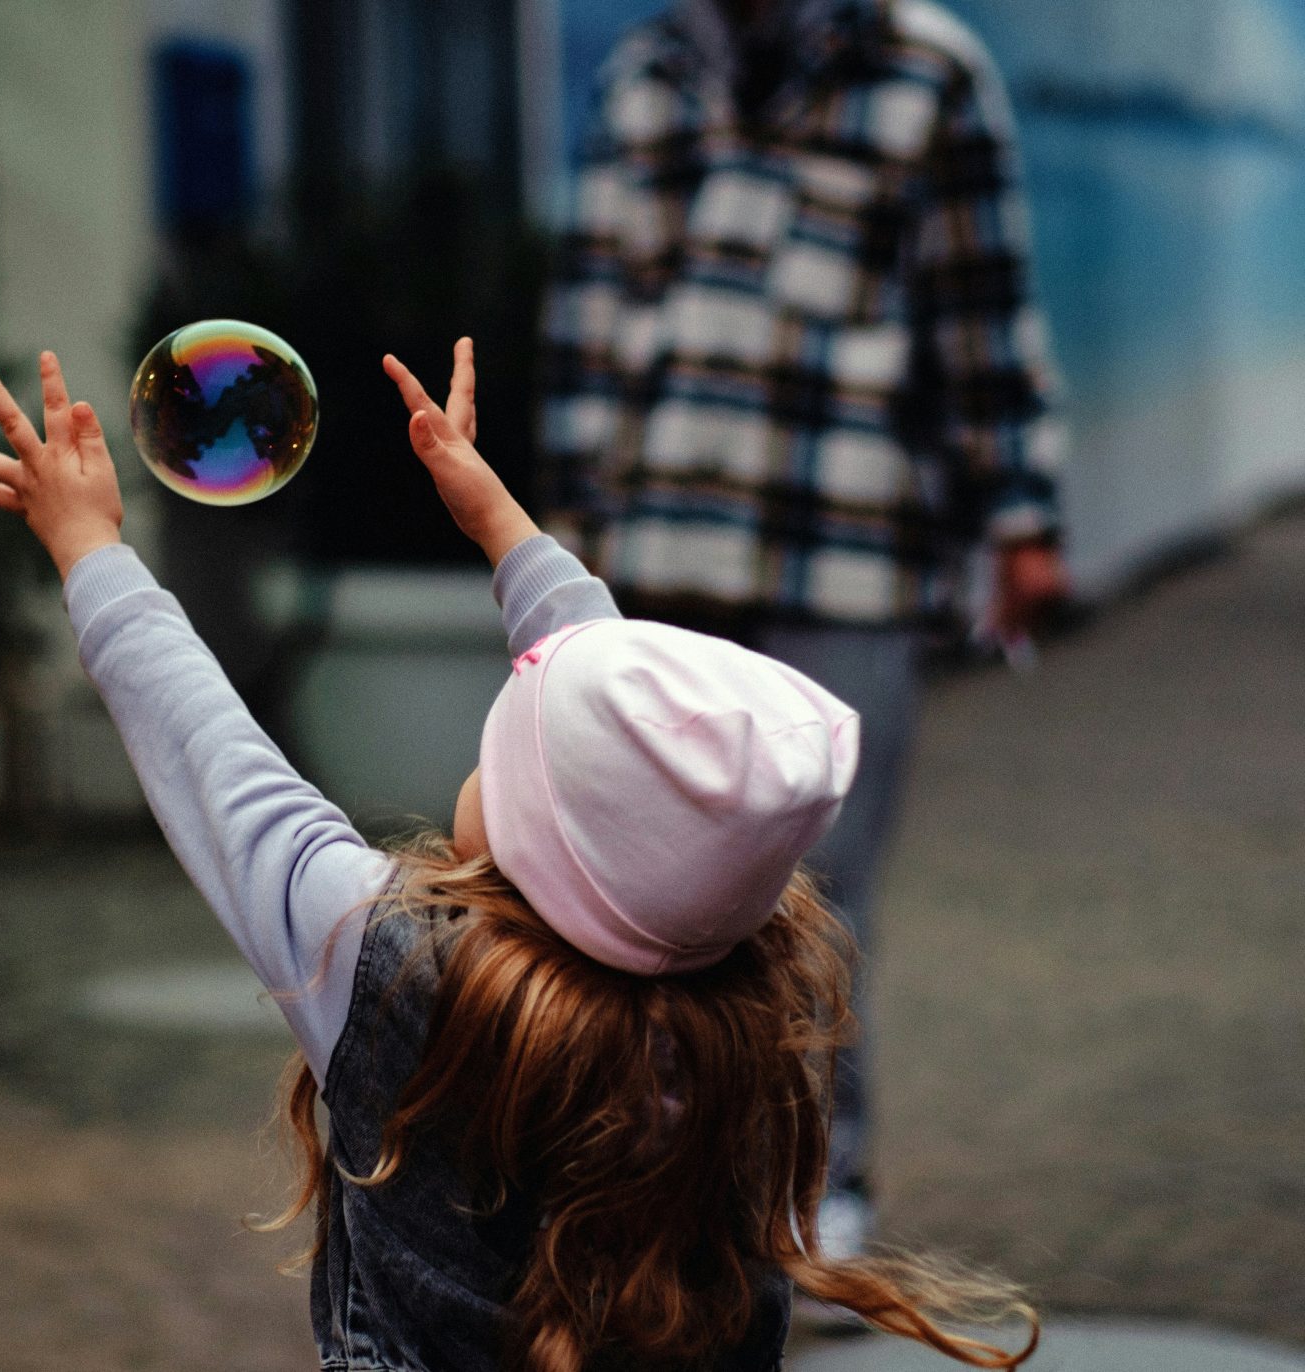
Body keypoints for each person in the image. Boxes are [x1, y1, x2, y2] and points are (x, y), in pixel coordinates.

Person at [0, 343, 1038, 1371]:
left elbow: (223, 774)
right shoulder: (740, 1007)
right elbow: (655, 770)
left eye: (505, 744)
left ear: (544, 844)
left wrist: (89, 550)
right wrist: (502, 522)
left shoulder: (406, 975)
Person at [538, 0, 1071, 1264]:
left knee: (817, 902)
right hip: (659, 555)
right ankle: (665, 1196)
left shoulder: (928, 72)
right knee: (643, 901)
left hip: (849, 551)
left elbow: (982, 310)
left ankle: (816, 1193)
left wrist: (1022, 517)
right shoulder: (644, 74)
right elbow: (587, 327)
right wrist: (555, 546)